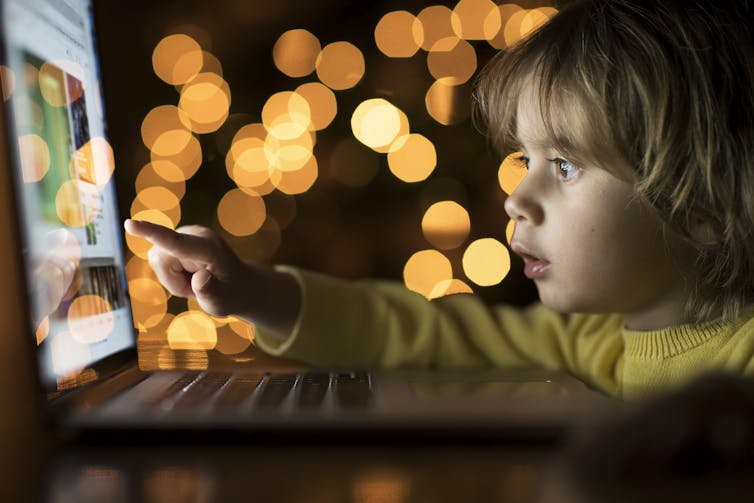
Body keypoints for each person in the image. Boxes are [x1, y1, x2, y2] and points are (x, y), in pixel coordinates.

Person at [125, 0, 754, 401]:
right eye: (523, 161)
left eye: (563, 165)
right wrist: (253, 291)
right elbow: (423, 334)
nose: (516, 200)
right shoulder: (591, 342)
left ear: (701, 206)